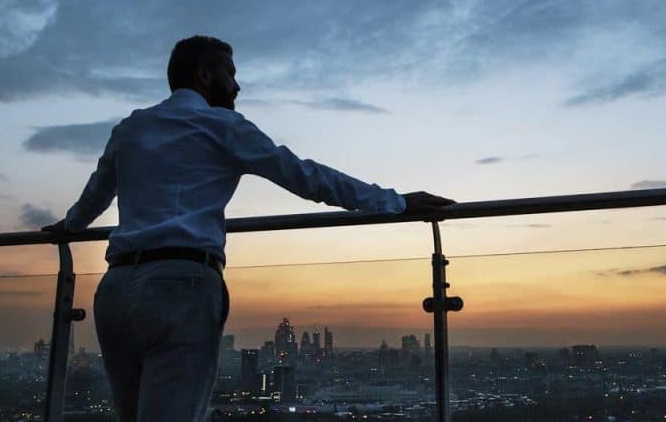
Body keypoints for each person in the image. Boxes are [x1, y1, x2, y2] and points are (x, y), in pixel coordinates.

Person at [42, 35, 454, 421]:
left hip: (115, 289)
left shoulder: (131, 127)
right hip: (181, 287)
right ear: (205, 74)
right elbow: (308, 177)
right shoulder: (224, 127)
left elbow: (96, 195)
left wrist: (68, 227)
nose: (237, 86)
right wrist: (395, 201)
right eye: (230, 73)